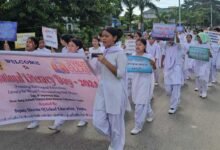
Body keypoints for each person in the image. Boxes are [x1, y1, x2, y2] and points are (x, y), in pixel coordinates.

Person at [92, 27, 128, 150]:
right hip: (102, 90)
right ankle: (114, 138)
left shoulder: (120, 53)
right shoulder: (103, 52)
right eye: (102, 36)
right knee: (97, 120)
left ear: (115, 38)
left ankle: (116, 145)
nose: (103, 38)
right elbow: (97, 71)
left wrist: (105, 62)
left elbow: (120, 74)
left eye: (106, 36)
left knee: (116, 124)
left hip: (115, 92)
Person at [48, 38, 87, 131]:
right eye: (69, 45)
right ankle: (57, 124)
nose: (69, 47)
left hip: (78, 86)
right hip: (66, 85)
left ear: (77, 47)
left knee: (80, 104)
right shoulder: (64, 55)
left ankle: (83, 119)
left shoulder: (81, 57)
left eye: (72, 46)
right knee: (63, 104)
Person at [129, 39, 156, 135]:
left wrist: (152, 62)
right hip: (135, 82)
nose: (137, 46)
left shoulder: (148, 56)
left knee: (139, 105)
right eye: (136, 44)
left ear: (144, 46)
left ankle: (138, 126)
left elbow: (154, 67)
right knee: (141, 101)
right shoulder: (132, 55)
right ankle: (149, 113)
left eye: (140, 45)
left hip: (145, 82)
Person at [161, 34, 184, 114]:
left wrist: (175, 34)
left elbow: (178, 41)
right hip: (167, 69)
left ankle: (173, 106)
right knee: (168, 90)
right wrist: (161, 62)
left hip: (176, 69)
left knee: (176, 88)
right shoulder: (165, 45)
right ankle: (177, 99)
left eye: (172, 38)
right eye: (169, 38)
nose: (170, 40)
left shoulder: (179, 46)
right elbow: (163, 54)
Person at [193, 32, 212, 98]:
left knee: (203, 78)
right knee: (198, 77)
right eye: (198, 38)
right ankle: (200, 91)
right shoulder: (195, 44)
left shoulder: (207, 45)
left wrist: (209, 52)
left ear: (203, 38)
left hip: (205, 64)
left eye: (200, 38)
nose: (198, 39)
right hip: (197, 63)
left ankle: (204, 91)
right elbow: (192, 52)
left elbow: (210, 55)